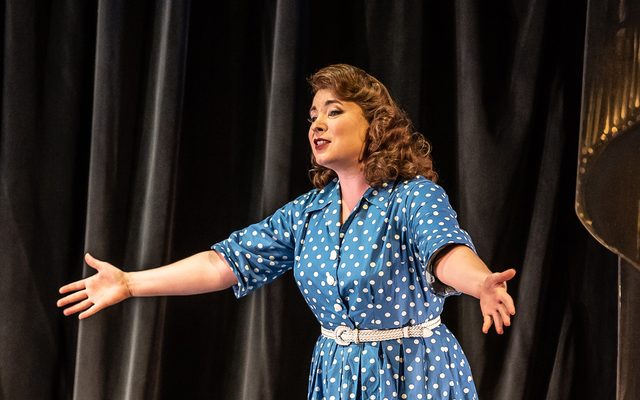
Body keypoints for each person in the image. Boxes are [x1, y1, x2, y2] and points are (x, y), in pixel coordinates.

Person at [58, 64, 516, 399]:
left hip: (412, 374)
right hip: (336, 377)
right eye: (313, 115)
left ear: (376, 125)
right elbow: (226, 263)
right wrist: (129, 282)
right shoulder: (307, 213)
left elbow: (445, 251)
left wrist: (480, 284)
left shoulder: (412, 197)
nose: (317, 123)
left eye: (333, 112)